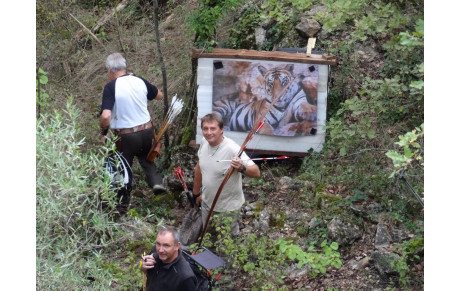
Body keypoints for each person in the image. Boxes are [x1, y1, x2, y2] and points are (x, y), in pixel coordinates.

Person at [99, 52, 166, 210]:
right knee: (146, 159)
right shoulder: (139, 80)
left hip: (127, 136)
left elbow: (106, 115)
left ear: (110, 70)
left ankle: (121, 206)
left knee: (122, 169)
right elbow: (159, 95)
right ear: (124, 67)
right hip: (147, 131)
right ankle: (158, 186)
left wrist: (103, 131)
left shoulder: (111, 87)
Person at [192, 113, 261, 236]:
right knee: (207, 239)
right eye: (205, 129)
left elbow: (256, 172)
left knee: (226, 245)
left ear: (221, 129)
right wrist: (196, 193)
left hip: (228, 209)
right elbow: (199, 167)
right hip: (207, 204)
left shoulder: (232, 148)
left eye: (213, 128)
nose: (209, 132)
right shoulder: (204, 142)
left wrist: (241, 167)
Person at [141, 226, 197, 291]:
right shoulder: (155, 251)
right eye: (158, 244)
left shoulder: (185, 278)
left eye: (166, 245)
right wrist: (143, 266)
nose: (160, 250)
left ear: (177, 246)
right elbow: (145, 268)